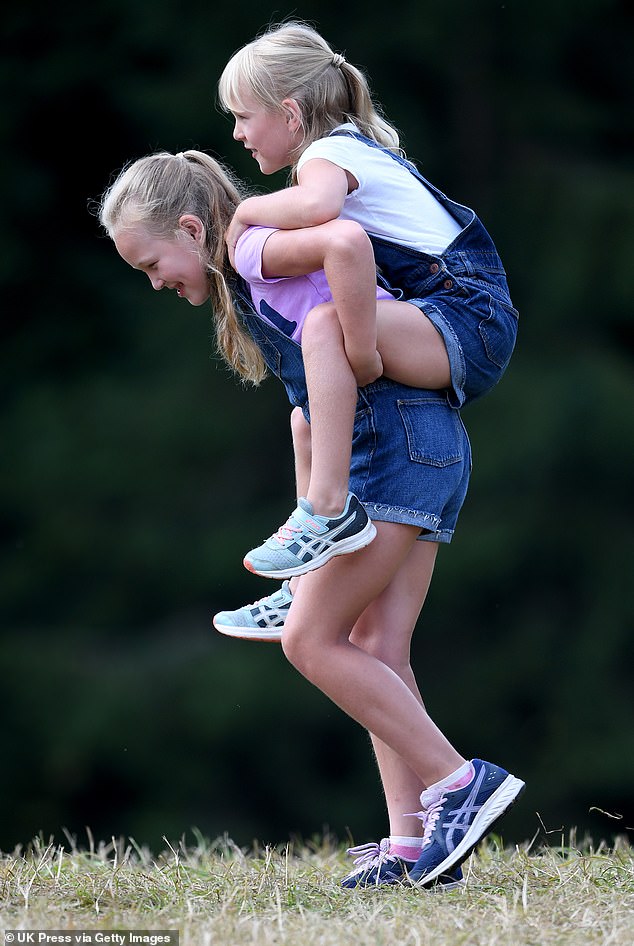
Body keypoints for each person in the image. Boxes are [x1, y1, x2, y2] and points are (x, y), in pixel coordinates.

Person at [98, 149, 525, 890]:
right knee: (377, 646)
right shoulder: (248, 275)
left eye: (151, 264)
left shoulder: (252, 247)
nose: (155, 282)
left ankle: (459, 783)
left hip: (394, 443)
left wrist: (358, 348)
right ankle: (412, 844)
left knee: (311, 641)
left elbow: (347, 243)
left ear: (193, 228)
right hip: (424, 444)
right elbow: (307, 420)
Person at [218, 20, 519, 582]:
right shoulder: (351, 148)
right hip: (465, 320)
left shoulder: (326, 155)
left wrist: (245, 213)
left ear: (289, 114)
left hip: (466, 314)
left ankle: (326, 508)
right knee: (316, 377)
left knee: (325, 325)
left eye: (242, 116)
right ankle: (320, 528)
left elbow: (316, 208)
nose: (237, 133)